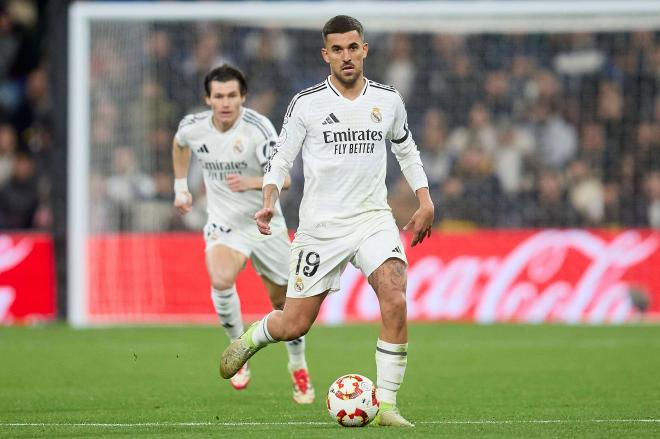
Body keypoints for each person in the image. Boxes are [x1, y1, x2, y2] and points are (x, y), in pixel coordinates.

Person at [220, 16, 434, 427]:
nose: (346, 56)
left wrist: (425, 200)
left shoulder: (388, 100)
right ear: (326, 55)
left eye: (353, 47)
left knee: (394, 294)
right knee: (294, 323)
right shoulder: (307, 103)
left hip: (373, 218)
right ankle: (255, 336)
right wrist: (267, 199)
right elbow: (280, 159)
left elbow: (407, 150)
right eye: (337, 50)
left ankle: (387, 406)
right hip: (321, 227)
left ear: (365, 49)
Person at [172, 64, 314, 403]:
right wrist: (181, 187)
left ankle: (298, 365)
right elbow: (179, 146)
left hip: (266, 224)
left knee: (285, 305)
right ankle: (239, 353)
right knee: (220, 279)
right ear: (208, 98)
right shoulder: (193, 128)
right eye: (218, 96)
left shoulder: (258, 128)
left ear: (242, 97)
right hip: (225, 225)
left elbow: (288, 179)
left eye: (232, 95)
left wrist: (252, 182)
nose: (225, 102)